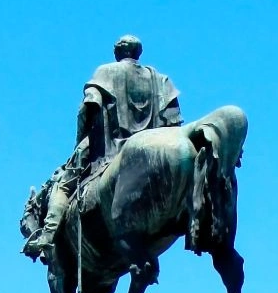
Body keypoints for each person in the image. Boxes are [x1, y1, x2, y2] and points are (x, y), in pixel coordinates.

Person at [24, 35, 182, 264]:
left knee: (63, 183)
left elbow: (86, 109)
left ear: (117, 53)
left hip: (111, 148)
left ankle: (47, 236)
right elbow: (174, 120)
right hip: (157, 155)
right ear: (138, 53)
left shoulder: (106, 72)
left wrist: (81, 141)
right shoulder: (160, 79)